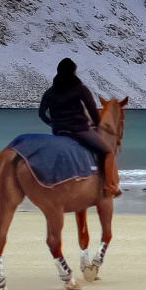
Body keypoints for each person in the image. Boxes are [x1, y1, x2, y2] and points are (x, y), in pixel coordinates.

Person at [39, 58, 121, 197]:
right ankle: (109, 186)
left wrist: (53, 124)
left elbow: (41, 114)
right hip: (79, 130)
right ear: (73, 72)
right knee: (107, 152)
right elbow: (93, 110)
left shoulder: (49, 92)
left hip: (59, 131)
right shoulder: (80, 89)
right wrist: (96, 124)